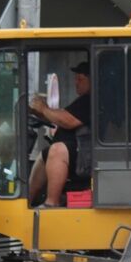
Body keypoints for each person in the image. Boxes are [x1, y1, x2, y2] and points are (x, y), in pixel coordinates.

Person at [28, 61, 91, 206]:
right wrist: (38, 112)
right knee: (44, 154)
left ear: (92, 80)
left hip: (86, 157)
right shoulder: (83, 101)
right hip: (79, 153)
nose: (76, 82)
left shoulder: (92, 100)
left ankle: (51, 203)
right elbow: (62, 116)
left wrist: (44, 109)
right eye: (75, 79)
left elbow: (67, 120)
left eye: (80, 79)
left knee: (57, 150)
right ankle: (28, 201)